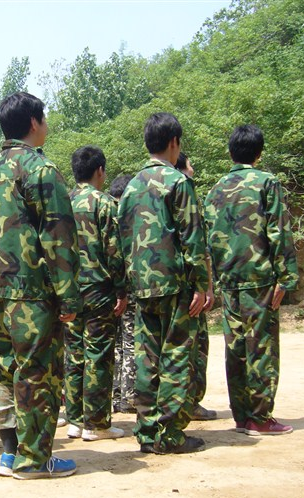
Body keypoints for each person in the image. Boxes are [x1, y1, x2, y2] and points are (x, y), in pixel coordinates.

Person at [0, 92, 81, 479]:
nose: (46, 125)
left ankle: (9, 453)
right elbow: (58, 238)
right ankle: (34, 460)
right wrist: (69, 296)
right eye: (45, 119)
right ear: (34, 123)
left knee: (4, 371)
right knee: (37, 373)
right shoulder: (40, 168)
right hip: (30, 292)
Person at [117, 112, 209, 455]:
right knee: (176, 356)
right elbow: (193, 238)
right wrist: (202, 285)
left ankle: (146, 431)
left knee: (147, 358)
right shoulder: (178, 182)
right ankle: (169, 434)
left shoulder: (131, 187)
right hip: (174, 283)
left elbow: (121, 239)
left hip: (142, 285)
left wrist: (128, 282)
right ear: (174, 143)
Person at [204, 125, 299, 436]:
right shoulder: (267, 182)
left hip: (229, 279)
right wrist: (286, 277)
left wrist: (215, 278)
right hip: (259, 279)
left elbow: (209, 238)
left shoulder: (216, 189)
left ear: (231, 152)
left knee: (235, 349)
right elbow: (279, 231)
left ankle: (242, 416)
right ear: (259, 153)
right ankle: (260, 417)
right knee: (261, 347)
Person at [64, 146, 127, 441]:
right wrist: (121, 289)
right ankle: (97, 423)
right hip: (99, 290)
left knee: (75, 355)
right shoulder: (104, 203)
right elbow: (114, 251)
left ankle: (75, 420)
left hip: (70, 290)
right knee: (98, 355)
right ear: (100, 171)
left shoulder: (63, 203)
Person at [173, 152, 217, 421]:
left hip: (161, 285)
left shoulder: (146, 189)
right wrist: (205, 286)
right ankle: (191, 403)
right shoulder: (185, 192)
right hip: (188, 286)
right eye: (190, 165)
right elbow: (199, 246)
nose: (193, 170)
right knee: (194, 347)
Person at [109, 174, 137, 415]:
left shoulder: (106, 211)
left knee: (115, 344)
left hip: (105, 290)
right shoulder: (130, 216)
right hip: (128, 289)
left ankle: (115, 396)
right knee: (130, 342)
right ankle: (128, 398)